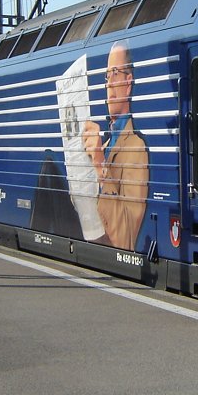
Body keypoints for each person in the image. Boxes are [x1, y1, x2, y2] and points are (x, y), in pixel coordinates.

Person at [81, 41, 150, 250]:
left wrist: (101, 167)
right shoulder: (108, 142)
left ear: (128, 83)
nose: (109, 83)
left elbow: (125, 239)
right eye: (107, 76)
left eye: (115, 73)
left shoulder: (136, 147)